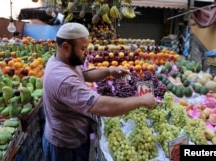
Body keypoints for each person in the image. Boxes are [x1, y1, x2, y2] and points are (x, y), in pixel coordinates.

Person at [42, 22, 156, 161]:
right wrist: (141, 100)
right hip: (66, 147)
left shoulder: (63, 61)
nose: (87, 52)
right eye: (83, 48)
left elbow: (83, 74)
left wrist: (109, 71)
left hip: (72, 137)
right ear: (66, 47)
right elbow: (100, 106)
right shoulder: (62, 78)